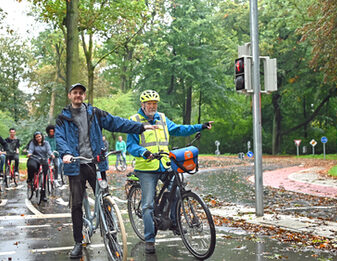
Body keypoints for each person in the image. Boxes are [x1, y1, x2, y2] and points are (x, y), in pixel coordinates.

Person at [55, 83, 157, 259]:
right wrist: (66, 153)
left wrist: (140, 127)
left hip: (96, 163)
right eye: (75, 93)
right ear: (70, 96)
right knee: (77, 204)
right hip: (75, 164)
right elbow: (60, 138)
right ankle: (79, 241)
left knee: (104, 198)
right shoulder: (62, 118)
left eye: (81, 93)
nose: (78, 95)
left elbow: (117, 122)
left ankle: (112, 235)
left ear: (84, 96)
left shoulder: (95, 113)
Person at [127, 90, 213, 254]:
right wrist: (143, 152)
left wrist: (199, 126)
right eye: (149, 104)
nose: (152, 106)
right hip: (146, 168)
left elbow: (179, 129)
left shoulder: (162, 118)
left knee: (177, 188)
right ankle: (150, 240)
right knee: (147, 205)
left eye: (155, 104)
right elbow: (130, 145)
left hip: (165, 163)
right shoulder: (135, 120)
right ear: (142, 105)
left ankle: (174, 221)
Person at [26, 131, 55, 202]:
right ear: (35, 138)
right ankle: (30, 179)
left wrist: (51, 154)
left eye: (39, 136)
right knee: (31, 166)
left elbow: (49, 151)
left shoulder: (46, 143)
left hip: (43, 159)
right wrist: (29, 154)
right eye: (36, 137)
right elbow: (31, 150)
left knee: (45, 177)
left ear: (42, 136)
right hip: (35, 159)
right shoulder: (33, 143)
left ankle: (43, 195)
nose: (38, 138)